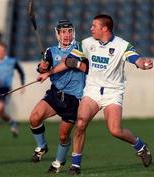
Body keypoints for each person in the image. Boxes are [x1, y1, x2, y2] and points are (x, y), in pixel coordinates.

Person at [67, 14, 153, 175]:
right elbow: (70, 59)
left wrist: (144, 63)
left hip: (113, 92)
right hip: (92, 90)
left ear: (104, 28)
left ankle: (140, 146)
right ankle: (75, 165)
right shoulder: (86, 43)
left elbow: (136, 59)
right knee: (80, 123)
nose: (91, 28)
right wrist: (47, 69)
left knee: (115, 130)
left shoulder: (122, 45)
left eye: (94, 26)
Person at [29, 19, 88, 173]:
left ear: (73, 32)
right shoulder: (51, 51)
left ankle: (58, 162)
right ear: (58, 34)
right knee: (34, 118)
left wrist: (66, 65)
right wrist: (42, 68)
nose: (66, 35)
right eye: (63, 32)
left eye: (69, 31)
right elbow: (44, 67)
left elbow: (83, 66)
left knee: (63, 136)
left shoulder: (81, 47)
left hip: (73, 99)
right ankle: (42, 146)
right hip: (55, 94)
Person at [0, 41, 25, 143]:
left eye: (2, 50)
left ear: (5, 51)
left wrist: (22, 84)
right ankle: (13, 122)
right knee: (1, 114)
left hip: (5, 91)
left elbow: (20, 71)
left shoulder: (11, 61)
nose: (0, 52)